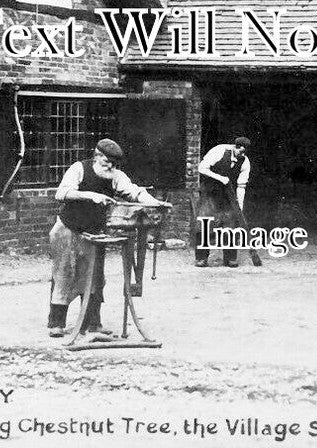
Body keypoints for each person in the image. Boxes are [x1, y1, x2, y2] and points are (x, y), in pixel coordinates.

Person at [47, 138, 170, 337]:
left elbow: (135, 192)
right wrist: (90, 195)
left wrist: (155, 203)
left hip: (94, 231)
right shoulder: (79, 168)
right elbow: (61, 193)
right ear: (96, 156)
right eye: (106, 161)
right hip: (67, 229)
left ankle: (92, 323)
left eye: (114, 163)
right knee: (65, 274)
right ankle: (56, 323)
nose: (110, 166)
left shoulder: (116, 176)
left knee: (95, 276)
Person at [193, 136, 252, 268]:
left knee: (230, 225)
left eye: (244, 152)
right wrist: (220, 178)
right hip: (210, 192)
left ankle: (230, 258)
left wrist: (239, 207)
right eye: (240, 151)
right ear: (235, 146)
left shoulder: (245, 162)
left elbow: (241, 185)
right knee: (204, 224)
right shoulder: (219, 151)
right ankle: (201, 258)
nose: (241, 155)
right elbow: (202, 168)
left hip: (227, 195)